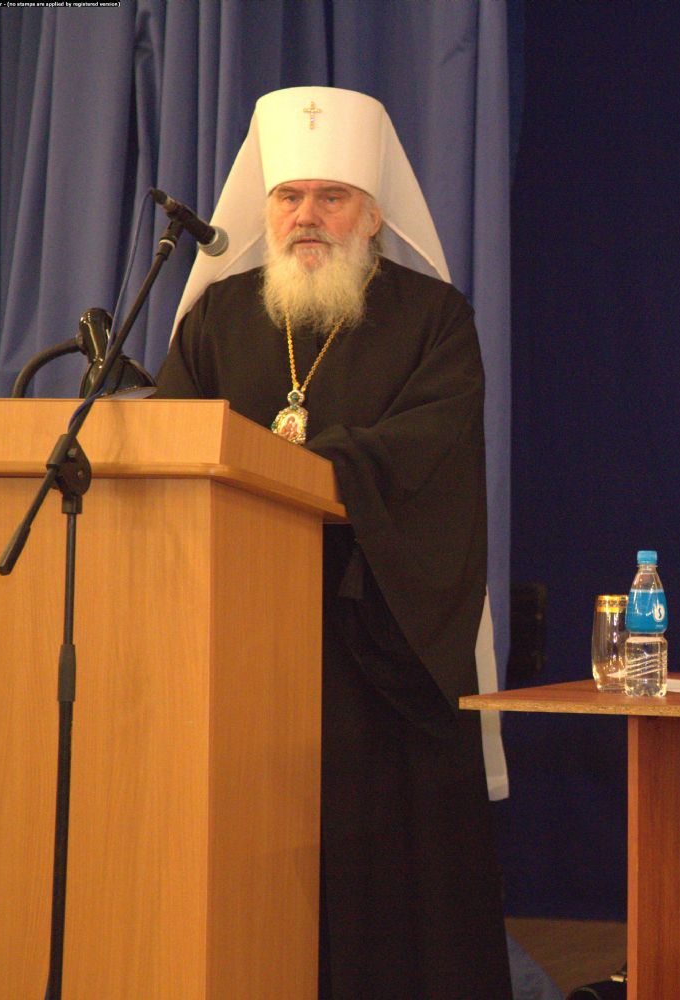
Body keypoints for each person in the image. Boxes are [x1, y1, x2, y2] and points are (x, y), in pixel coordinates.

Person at [155, 86, 512, 1000]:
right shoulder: (215, 319)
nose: (306, 216)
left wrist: (305, 467)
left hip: (375, 642)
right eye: (289, 196)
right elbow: (168, 445)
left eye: (331, 197)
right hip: (234, 646)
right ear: (265, 208)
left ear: (374, 214)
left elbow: (428, 451)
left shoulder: (434, 318)